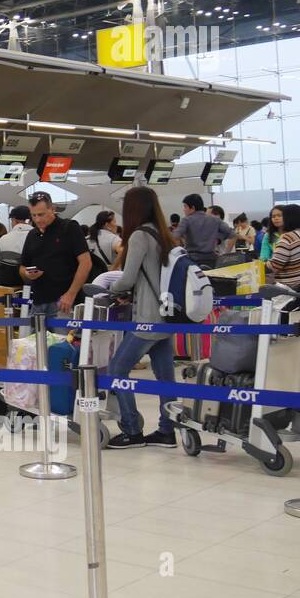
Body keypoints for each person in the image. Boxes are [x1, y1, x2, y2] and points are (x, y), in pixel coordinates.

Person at [105, 186, 180, 449]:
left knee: (117, 369)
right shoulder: (164, 234)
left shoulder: (138, 235)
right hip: (166, 317)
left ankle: (132, 430)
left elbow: (126, 278)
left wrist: (108, 287)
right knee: (165, 377)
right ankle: (167, 431)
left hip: (147, 319)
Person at [20, 192, 91, 316]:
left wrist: (71, 294)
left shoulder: (69, 228)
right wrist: (27, 273)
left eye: (41, 214)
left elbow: (86, 263)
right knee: (34, 336)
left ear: (52, 209)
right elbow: (22, 266)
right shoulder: (32, 234)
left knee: (62, 336)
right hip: (38, 302)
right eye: (33, 215)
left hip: (63, 302)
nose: (37, 219)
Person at [172, 193, 232, 267]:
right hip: (212, 260)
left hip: (193, 261)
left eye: (185, 207)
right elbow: (232, 234)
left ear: (192, 208)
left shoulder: (186, 220)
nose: (183, 209)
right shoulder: (215, 220)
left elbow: (175, 236)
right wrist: (219, 240)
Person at [268, 204, 300, 287]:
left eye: (283, 216)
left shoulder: (288, 237)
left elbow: (275, 265)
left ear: (289, 218)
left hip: (291, 286)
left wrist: (260, 266)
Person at [88, 210, 121, 275]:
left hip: (91, 277)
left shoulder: (87, 238)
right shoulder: (113, 238)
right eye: (114, 222)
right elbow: (123, 250)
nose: (116, 225)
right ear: (107, 225)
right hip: (108, 277)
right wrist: (114, 267)